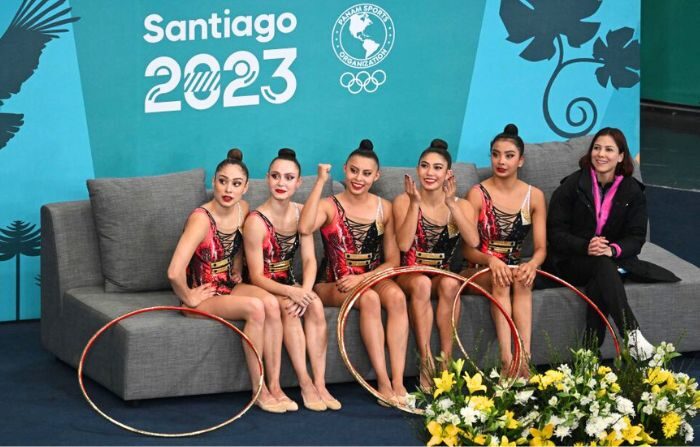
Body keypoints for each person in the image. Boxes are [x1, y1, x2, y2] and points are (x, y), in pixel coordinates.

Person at [167, 148, 290, 413]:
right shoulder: (201, 219)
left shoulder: (242, 209)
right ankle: (259, 389)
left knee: (271, 303)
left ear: (246, 188)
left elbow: (237, 241)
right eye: (222, 181)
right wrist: (189, 297)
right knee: (256, 308)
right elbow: (174, 271)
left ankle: (276, 386)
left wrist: (236, 264)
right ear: (213, 181)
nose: (228, 189)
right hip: (206, 293)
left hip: (227, 285)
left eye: (236, 184)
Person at [545, 127, 680, 360]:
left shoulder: (633, 191)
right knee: (602, 265)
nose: (601, 154)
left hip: (610, 260)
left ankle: (588, 355)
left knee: (602, 271)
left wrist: (611, 249)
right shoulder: (573, 185)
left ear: (620, 156)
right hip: (570, 261)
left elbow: (637, 237)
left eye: (609, 149)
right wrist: (585, 245)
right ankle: (631, 334)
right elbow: (555, 233)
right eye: (597, 148)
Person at [298, 139, 410, 405]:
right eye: (354, 171)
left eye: (367, 173)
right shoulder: (329, 204)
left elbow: (393, 261)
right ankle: (381, 383)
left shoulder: (386, 207)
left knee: (396, 298)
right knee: (370, 299)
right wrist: (319, 181)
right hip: (333, 283)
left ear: (377, 176)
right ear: (345, 169)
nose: (359, 178)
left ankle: (398, 381)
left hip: (367, 279)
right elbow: (304, 227)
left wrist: (362, 278)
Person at [243, 148, 341, 412]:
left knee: (316, 305)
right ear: (267, 178)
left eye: (288, 178)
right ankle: (305, 382)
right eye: (275, 176)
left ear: (298, 183)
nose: (281, 183)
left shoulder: (301, 213)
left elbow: (309, 260)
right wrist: (293, 293)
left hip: (291, 282)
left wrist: (305, 292)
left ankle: (321, 383)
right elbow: (256, 276)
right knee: (289, 308)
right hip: (263, 285)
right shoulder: (256, 221)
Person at [392, 138, 480, 388]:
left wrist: (452, 204)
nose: (430, 173)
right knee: (420, 282)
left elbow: (473, 241)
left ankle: (446, 360)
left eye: (437, 168)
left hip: (442, 273)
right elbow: (403, 246)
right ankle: (426, 360)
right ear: (418, 169)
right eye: (424, 166)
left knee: (452, 284)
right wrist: (415, 203)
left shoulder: (461, 204)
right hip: (411, 274)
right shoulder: (403, 201)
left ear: (448, 173)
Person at [463, 124, 547, 376]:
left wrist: (532, 265)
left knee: (521, 280)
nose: (501, 161)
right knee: (502, 279)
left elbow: (542, 249)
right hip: (479, 271)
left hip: (514, 271)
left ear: (520, 160)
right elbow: (467, 250)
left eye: (509, 156)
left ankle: (525, 360)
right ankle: (506, 360)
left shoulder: (534, 196)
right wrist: (491, 261)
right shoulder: (477, 193)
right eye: (496, 154)